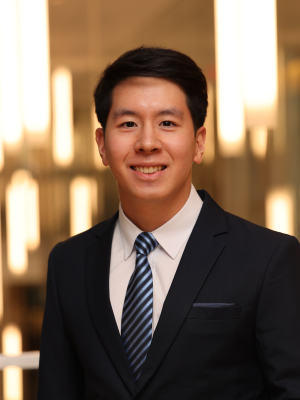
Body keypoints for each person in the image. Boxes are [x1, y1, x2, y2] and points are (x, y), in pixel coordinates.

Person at [37, 46, 300, 400]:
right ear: (102, 145)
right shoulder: (68, 262)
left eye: (167, 123)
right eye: (128, 124)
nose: (147, 143)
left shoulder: (268, 259)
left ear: (198, 142)